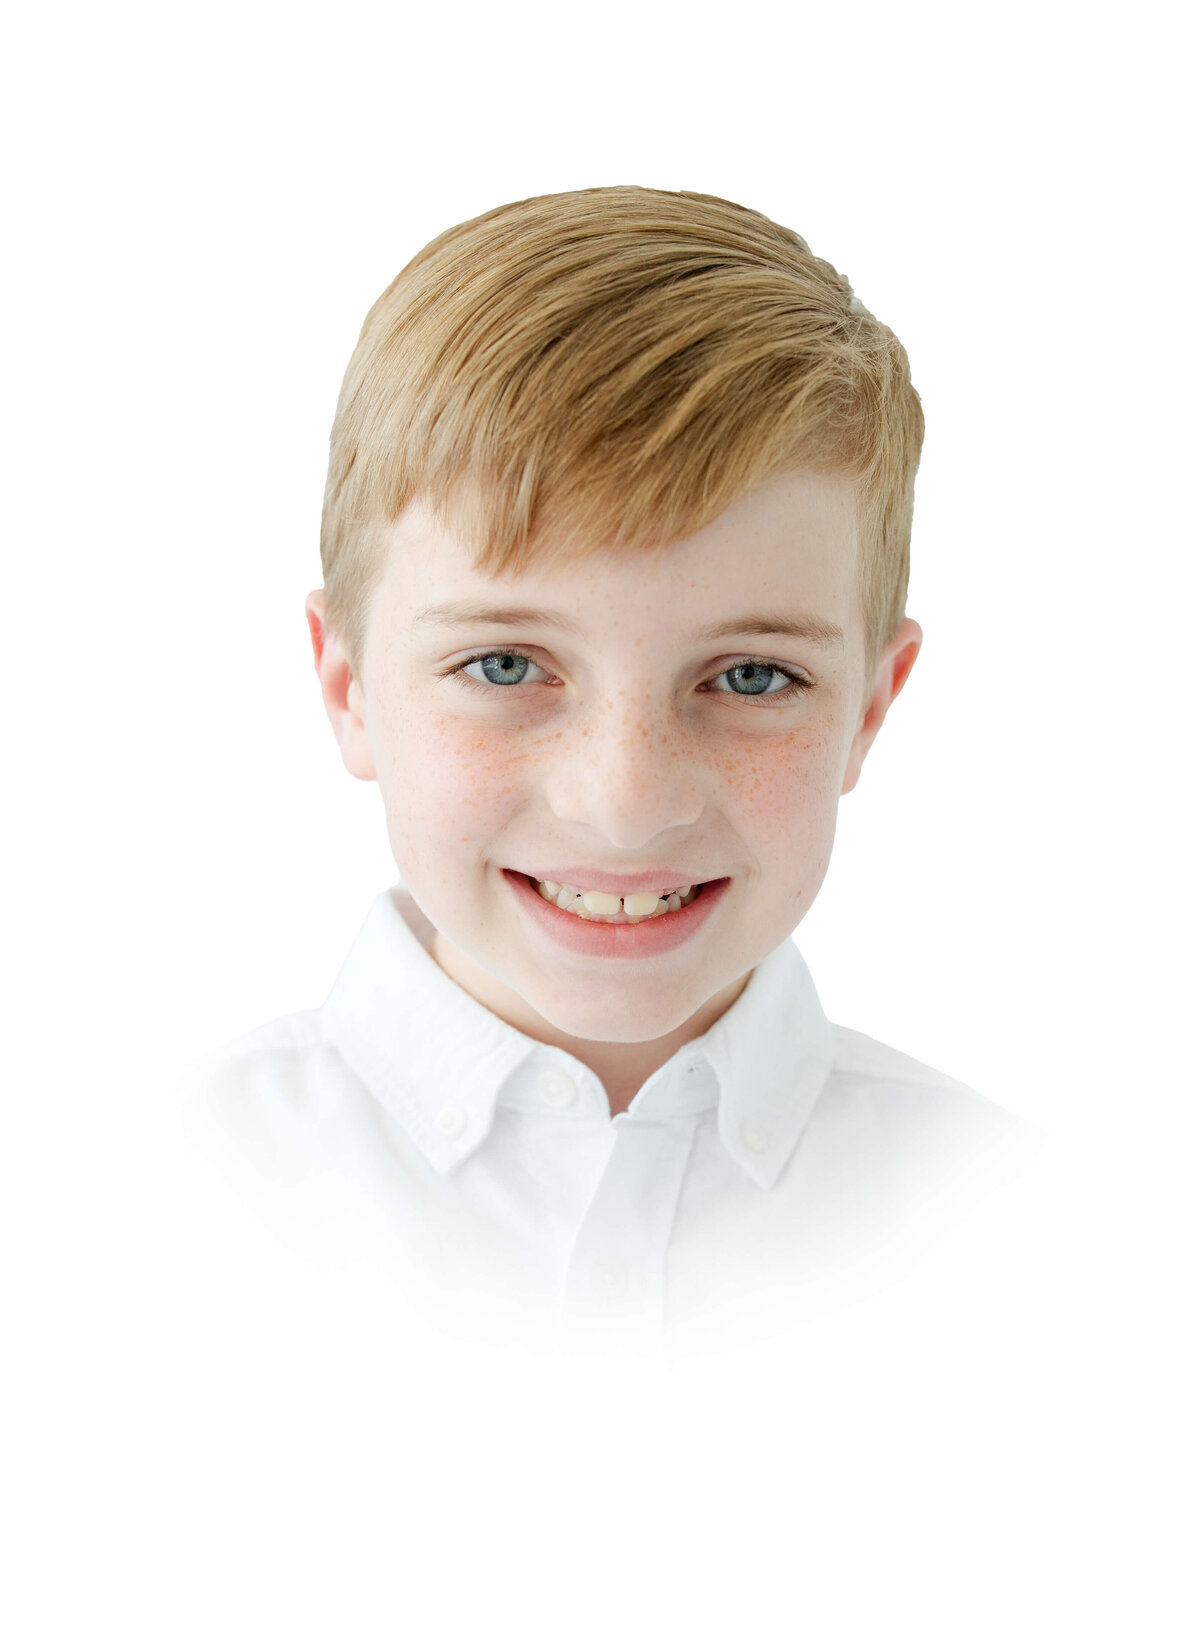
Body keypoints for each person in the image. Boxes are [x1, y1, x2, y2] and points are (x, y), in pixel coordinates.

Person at [183, 185, 1042, 1358]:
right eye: (504, 662)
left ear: (871, 710)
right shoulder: (135, 1209)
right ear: (348, 687)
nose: (626, 801)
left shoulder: (1031, 1236)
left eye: (749, 678)